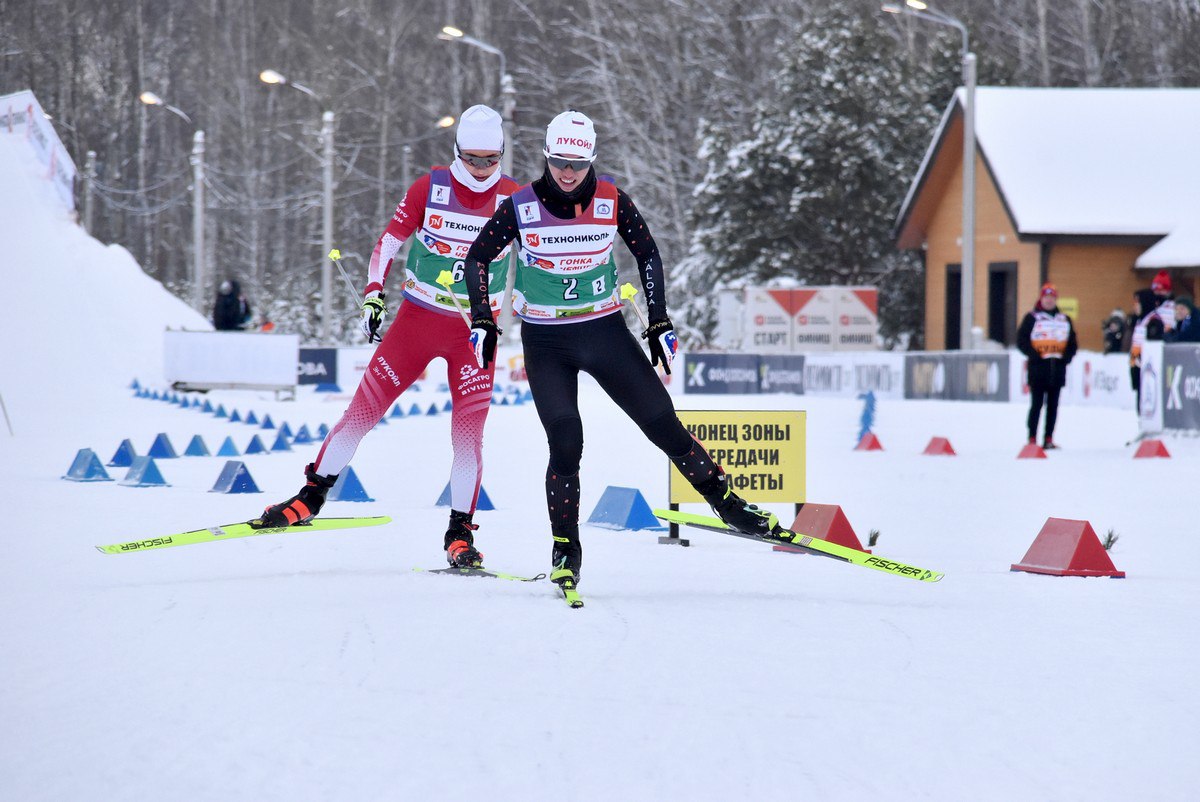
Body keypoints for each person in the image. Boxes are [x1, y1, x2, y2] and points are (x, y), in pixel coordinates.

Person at [459, 110, 783, 591]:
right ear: (546, 158)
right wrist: (484, 318)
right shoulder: (521, 205)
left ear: (592, 159)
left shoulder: (611, 200)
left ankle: (729, 506)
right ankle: (566, 548)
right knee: (566, 441)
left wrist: (658, 321)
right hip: (547, 341)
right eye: (559, 162)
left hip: (604, 332)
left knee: (664, 424)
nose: (568, 174)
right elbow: (477, 257)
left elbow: (646, 252)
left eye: (578, 163)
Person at [252, 105, 519, 569]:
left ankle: (459, 533)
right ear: (456, 151)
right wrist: (373, 294)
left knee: (468, 438)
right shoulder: (430, 186)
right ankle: (310, 497)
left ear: (501, 154)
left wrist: (531, 310)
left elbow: (540, 257)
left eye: (489, 160)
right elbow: (388, 243)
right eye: (472, 159)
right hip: (415, 323)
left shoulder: (514, 196)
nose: (480, 170)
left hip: (473, 335)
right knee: (361, 414)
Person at [1016, 283, 1077, 449]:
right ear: (1041, 298)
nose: (1049, 300)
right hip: (1038, 371)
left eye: (1052, 297)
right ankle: (1032, 438)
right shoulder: (1032, 318)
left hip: (1057, 371)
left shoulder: (1064, 319)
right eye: (1046, 297)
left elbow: (1072, 344)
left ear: (1055, 299)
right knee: (1036, 405)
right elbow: (1021, 340)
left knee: (1053, 407)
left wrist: (1066, 358)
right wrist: (1033, 354)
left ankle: (1049, 438)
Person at [1129, 270, 1176, 410]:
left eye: (1161, 290)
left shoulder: (1168, 310)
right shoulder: (1143, 317)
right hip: (1138, 362)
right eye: (1155, 290)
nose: (1158, 294)